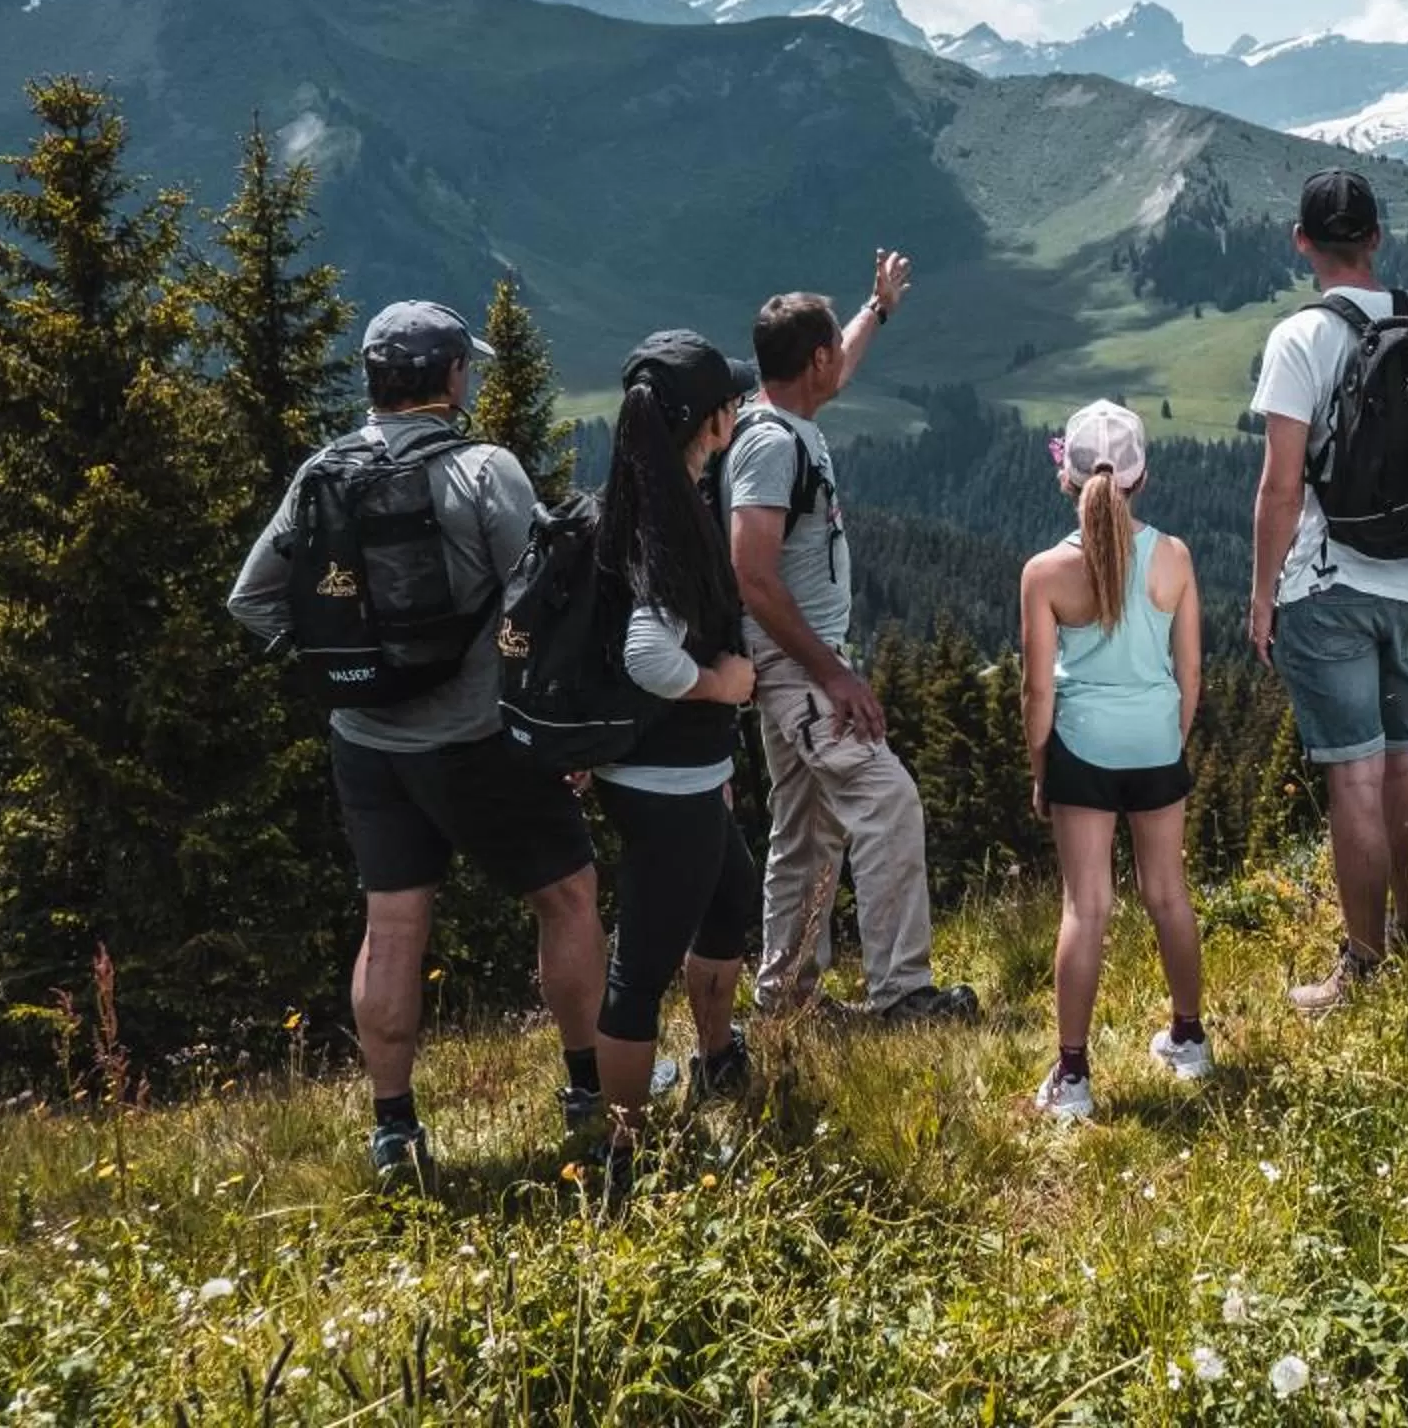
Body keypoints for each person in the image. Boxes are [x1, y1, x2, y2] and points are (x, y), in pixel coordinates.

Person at [228, 300, 606, 1183]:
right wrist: (562, 730)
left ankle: (394, 1130)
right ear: (449, 377)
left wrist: (345, 667)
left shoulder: (322, 472)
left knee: (393, 926)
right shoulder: (485, 469)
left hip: (364, 742)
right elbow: (542, 598)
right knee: (570, 896)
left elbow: (252, 600)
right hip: (477, 740)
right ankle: (590, 1093)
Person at [1248, 171, 1408, 1013]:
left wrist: (1263, 596)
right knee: (1403, 757)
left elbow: (1279, 490)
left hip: (1329, 579)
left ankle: (1366, 967)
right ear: (1377, 237)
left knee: (1353, 775)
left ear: (1302, 241)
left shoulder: (1300, 338)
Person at [728, 258, 978, 1024]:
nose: (842, 356)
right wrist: (832, 674)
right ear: (814, 361)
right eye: (835, 345)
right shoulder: (772, 445)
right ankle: (903, 992)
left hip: (794, 666)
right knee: (888, 800)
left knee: (805, 832)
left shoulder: (782, 419)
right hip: (798, 667)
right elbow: (752, 574)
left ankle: (787, 1001)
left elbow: (841, 363)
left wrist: (878, 308)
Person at [590, 331, 765, 1192]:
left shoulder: (644, 495)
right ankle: (620, 1153)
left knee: (731, 896)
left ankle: (717, 1060)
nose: (740, 408)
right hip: (666, 783)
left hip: (674, 775)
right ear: (711, 421)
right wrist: (720, 684)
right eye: (731, 399)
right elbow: (646, 655)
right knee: (641, 967)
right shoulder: (670, 521)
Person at [1020, 402, 1210, 1121]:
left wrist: (1044, 770)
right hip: (1157, 742)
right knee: (1168, 892)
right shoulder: (1175, 557)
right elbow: (1189, 674)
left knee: (1087, 906)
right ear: (1142, 477)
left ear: (1067, 481)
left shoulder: (1046, 573)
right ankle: (1189, 1039)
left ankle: (1073, 1078)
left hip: (1083, 749)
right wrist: (1173, 738)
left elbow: (1039, 690)